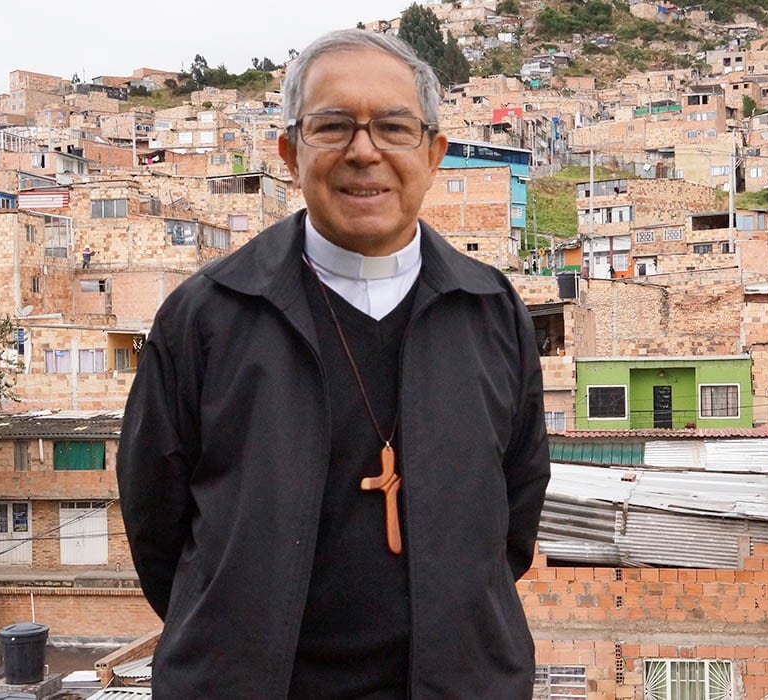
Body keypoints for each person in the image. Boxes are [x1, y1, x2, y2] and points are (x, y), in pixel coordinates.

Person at [117, 29, 550, 699]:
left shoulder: (491, 313)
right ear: (290, 152)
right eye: (334, 126)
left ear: (434, 153)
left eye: (394, 128)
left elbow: (513, 523)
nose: (364, 152)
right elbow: (157, 527)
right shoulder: (206, 317)